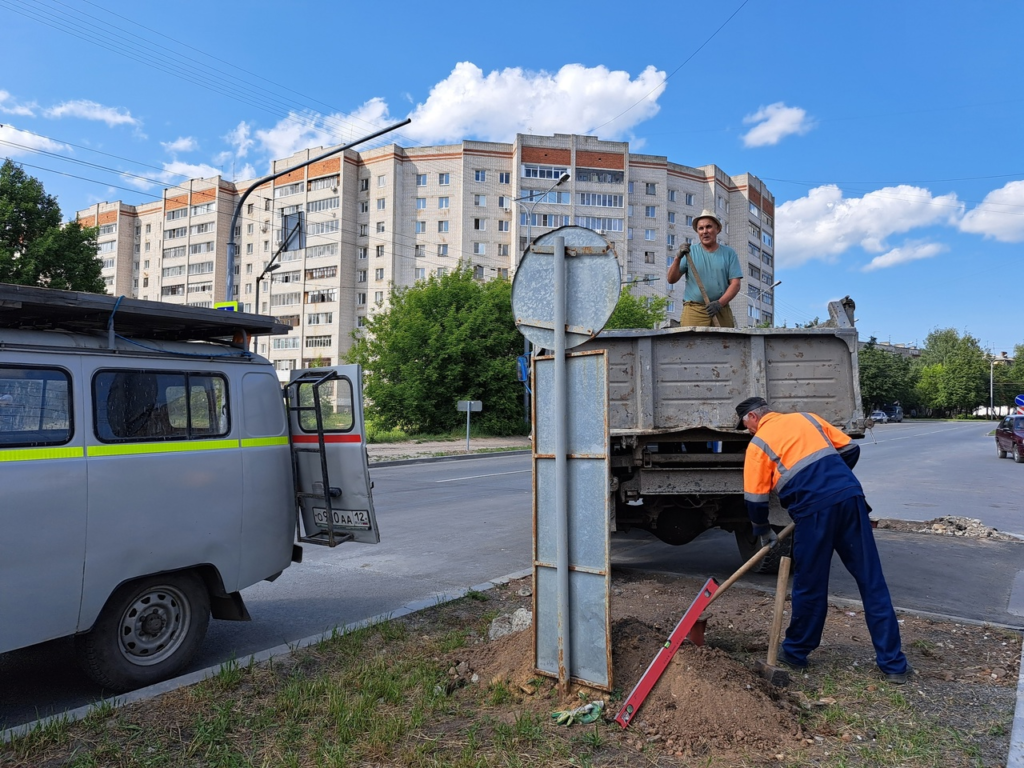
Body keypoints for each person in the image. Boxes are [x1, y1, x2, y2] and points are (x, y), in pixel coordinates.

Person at [735, 396, 911, 684]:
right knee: (872, 581)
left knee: (810, 584)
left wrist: (761, 529)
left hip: (813, 513)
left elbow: (755, 498)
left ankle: (795, 651)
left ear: (753, 418)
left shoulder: (758, 444)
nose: (749, 432)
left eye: (746, 426)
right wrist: (831, 483)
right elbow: (850, 449)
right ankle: (893, 665)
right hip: (851, 499)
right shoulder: (808, 418)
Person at [666, 210, 742, 327]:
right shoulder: (689, 253)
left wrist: (719, 304)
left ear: (717, 229)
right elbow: (671, 279)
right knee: (690, 343)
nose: (705, 231)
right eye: (701, 228)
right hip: (694, 310)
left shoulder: (729, 253)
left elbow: (735, 284)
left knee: (726, 343)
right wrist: (677, 258)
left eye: (709, 227)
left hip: (721, 309)